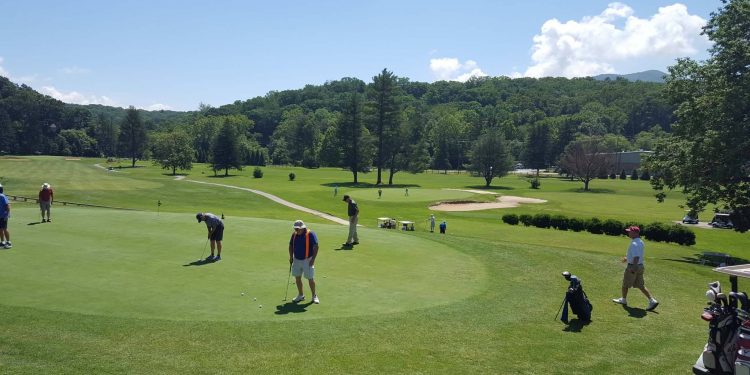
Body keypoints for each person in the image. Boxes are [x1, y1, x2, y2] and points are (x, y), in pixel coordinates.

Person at [612, 226, 659, 311]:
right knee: (640, 285)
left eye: (630, 232)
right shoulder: (640, 241)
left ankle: (623, 299)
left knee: (625, 284)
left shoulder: (634, 243)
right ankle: (652, 300)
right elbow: (637, 254)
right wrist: (627, 258)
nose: (628, 233)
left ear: (635, 233)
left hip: (634, 266)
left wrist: (633, 268)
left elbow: (636, 256)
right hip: (640, 266)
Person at [289, 220, 319, 304]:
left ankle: (314, 296)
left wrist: (313, 259)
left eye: (297, 229)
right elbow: (290, 245)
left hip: (307, 260)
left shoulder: (310, 234)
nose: (296, 230)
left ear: (302, 228)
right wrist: (291, 257)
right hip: (296, 259)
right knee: (297, 277)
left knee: (310, 278)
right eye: (295, 229)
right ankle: (301, 295)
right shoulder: (294, 234)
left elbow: (316, 246)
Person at [0, 184, 10, 249]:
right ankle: (2, 242)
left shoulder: (2, 196)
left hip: (3, 216)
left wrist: (6, 215)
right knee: (0, 229)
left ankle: (8, 242)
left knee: (4, 229)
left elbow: (8, 206)